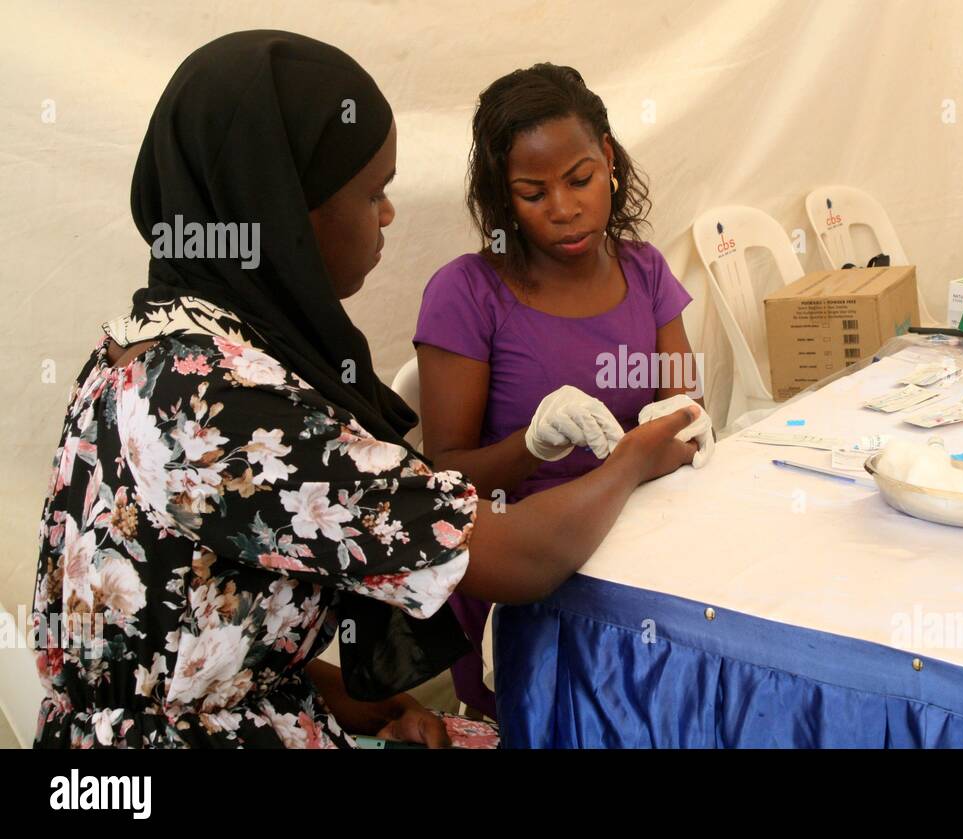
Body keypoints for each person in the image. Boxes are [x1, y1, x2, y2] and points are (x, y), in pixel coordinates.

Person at [29, 30, 698, 749]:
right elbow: (518, 556)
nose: (387, 215)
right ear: (285, 212)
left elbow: (182, 636)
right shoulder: (225, 405)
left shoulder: (144, 340)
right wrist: (632, 458)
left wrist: (355, 700)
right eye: (372, 192)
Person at [413, 63, 714, 716]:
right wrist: (531, 445)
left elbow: (686, 416)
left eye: (579, 178)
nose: (565, 208)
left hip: (641, 538)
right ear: (501, 197)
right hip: (525, 566)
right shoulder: (467, 295)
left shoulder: (645, 271)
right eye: (532, 191)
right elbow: (444, 478)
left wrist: (682, 421)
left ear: (607, 157)